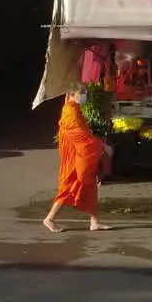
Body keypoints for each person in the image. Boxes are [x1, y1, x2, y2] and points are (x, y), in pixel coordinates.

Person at [44, 89, 111, 233]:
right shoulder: (70, 111)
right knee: (70, 185)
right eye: (81, 94)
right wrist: (99, 144)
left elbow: (84, 133)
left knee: (90, 183)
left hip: (81, 153)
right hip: (76, 155)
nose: (84, 96)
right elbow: (80, 136)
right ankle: (50, 218)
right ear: (72, 95)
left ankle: (94, 222)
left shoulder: (74, 108)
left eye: (85, 93)